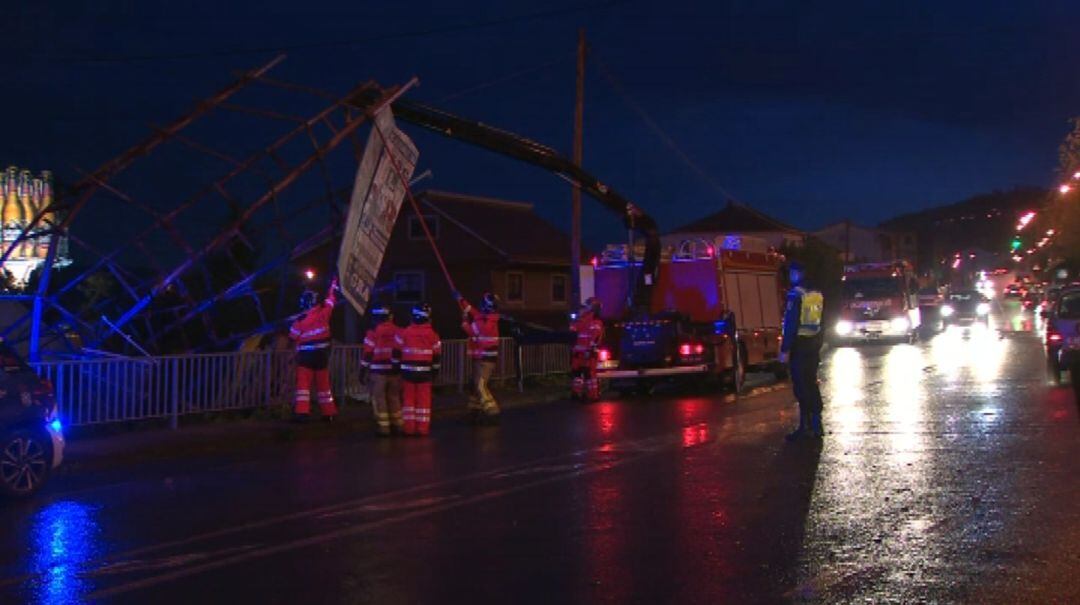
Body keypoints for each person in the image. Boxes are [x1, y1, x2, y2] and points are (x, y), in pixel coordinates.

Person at [779, 261, 825, 440]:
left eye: (792, 273)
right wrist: (819, 343)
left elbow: (791, 324)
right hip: (813, 345)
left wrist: (785, 349)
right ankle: (816, 423)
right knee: (811, 383)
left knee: (801, 386)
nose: (790, 276)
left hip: (799, 346)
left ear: (797, 274)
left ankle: (804, 427)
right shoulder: (817, 294)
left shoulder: (796, 295)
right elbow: (823, 322)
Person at [289, 277, 339, 422]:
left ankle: (302, 413)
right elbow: (331, 300)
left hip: (305, 357)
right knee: (324, 386)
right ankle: (329, 413)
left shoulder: (300, 320)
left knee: (303, 386)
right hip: (322, 356)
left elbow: (292, 337)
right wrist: (333, 285)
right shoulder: (324, 313)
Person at [456, 291, 501, 425]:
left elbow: (470, 330)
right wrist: (461, 299)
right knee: (474, 385)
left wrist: (465, 320)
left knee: (480, 385)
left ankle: (492, 411)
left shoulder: (485, 323)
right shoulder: (485, 318)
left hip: (485, 359)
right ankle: (474, 411)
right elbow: (472, 311)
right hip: (481, 357)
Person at [399, 302, 441, 436]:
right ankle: (422, 428)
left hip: (407, 372)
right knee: (424, 400)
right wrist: (435, 372)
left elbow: (396, 352)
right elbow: (437, 356)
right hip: (425, 373)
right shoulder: (433, 335)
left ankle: (409, 428)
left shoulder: (405, 332)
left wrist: (397, 368)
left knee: (408, 400)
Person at [362, 304, 402, 436]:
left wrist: (362, 370)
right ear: (389, 316)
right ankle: (397, 425)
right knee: (394, 397)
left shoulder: (373, 332)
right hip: (394, 371)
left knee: (379, 399)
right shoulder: (398, 331)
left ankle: (384, 428)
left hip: (378, 371)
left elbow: (368, 353)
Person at [570, 297, 605, 401]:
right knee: (580, 373)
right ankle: (579, 393)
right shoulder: (585, 321)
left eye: (586, 307)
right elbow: (572, 333)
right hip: (581, 353)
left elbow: (595, 338)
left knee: (586, 374)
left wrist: (589, 350)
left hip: (586, 353)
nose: (583, 309)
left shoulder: (593, 322)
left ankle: (590, 395)